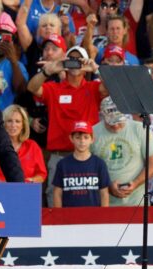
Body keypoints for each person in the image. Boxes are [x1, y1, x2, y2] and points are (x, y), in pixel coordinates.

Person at [27, 45, 105, 206]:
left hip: (88, 157)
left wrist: (96, 69)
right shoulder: (54, 88)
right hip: (59, 156)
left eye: (79, 59)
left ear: (85, 63)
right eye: (71, 59)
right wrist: (47, 71)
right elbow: (32, 88)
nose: (75, 62)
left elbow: (112, 88)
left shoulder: (93, 88)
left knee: (89, 201)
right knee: (56, 200)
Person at [91, 96, 153, 206]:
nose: (116, 126)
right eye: (111, 122)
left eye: (119, 121)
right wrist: (107, 186)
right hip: (105, 203)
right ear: (103, 115)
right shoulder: (93, 132)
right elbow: (88, 168)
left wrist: (136, 183)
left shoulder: (140, 128)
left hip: (137, 202)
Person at [52, 121, 110, 207]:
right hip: (69, 213)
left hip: (93, 213)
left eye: (86, 137)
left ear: (92, 139)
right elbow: (57, 192)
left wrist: (104, 214)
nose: (82, 141)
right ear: (71, 139)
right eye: (78, 137)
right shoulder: (63, 164)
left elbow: (104, 193)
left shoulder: (99, 164)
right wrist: (59, 214)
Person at [0, 104, 46, 182]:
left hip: (25, 189)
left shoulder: (33, 146)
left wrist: (30, 181)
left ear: (23, 125)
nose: (13, 125)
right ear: (3, 124)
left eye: (17, 121)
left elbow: (42, 175)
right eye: (9, 121)